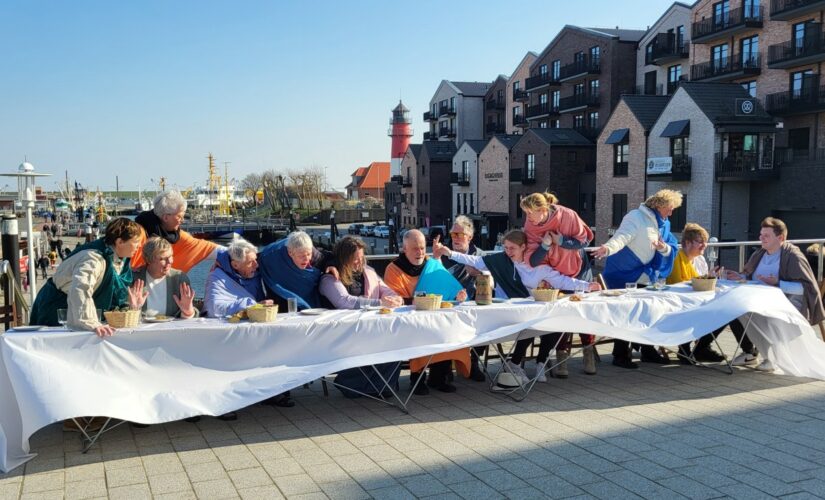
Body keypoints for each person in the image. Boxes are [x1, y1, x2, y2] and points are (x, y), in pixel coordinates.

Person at [434, 229, 600, 383]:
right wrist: (448, 252)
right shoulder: (500, 261)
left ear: (523, 247)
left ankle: (540, 362)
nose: (508, 251)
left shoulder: (538, 268)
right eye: (505, 247)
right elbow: (474, 260)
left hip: (528, 311)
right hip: (504, 310)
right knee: (529, 324)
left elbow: (563, 280)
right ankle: (514, 363)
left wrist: (587, 286)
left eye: (512, 248)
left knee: (553, 323)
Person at [591, 189, 681, 368]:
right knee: (626, 313)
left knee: (649, 312)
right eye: (670, 208)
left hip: (646, 274)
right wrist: (607, 249)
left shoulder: (664, 223)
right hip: (623, 273)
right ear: (659, 205)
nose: (671, 213)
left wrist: (664, 248)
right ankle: (621, 354)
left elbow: (671, 246)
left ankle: (647, 350)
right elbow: (621, 237)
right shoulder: (636, 217)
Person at [203, 237, 293, 410]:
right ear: (235, 265)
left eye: (255, 261)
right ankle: (226, 401)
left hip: (257, 326)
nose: (256, 266)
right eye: (251, 263)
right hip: (229, 331)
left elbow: (284, 245)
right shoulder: (217, 276)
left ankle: (272, 391)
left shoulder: (257, 270)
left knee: (277, 344)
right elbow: (215, 308)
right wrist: (251, 304)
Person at [725, 217, 825, 372]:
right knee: (737, 311)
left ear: (781, 238)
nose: (761, 238)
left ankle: (772, 357)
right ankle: (753, 353)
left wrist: (778, 283)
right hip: (761, 301)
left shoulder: (793, 256)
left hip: (788, 303)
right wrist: (740, 277)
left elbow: (804, 289)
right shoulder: (759, 254)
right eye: (761, 235)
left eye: (766, 235)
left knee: (765, 316)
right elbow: (753, 279)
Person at [384, 229, 469, 394]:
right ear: (404, 249)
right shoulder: (393, 269)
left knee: (449, 329)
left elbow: (448, 289)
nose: (420, 252)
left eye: (422, 248)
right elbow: (395, 299)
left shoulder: (432, 265)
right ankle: (417, 379)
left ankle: (439, 377)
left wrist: (458, 295)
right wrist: (415, 301)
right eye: (415, 248)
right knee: (421, 332)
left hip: (435, 316)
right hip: (409, 320)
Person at [521, 192, 597, 376]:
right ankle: (561, 360)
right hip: (554, 272)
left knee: (582, 313)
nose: (528, 218)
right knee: (560, 315)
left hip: (578, 268)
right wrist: (546, 246)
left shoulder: (567, 215)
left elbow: (585, 240)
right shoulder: (530, 225)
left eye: (530, 213)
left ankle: (589, 354)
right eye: (526, 213)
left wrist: (561, 241)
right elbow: (533, 260)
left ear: (543, 210)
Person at [319, 236, 404, 398]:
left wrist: (395, 298)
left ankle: (378, 385)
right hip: (343, 332)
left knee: (397, 340)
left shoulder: (369, 272)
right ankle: (353, 384)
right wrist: (379, 303)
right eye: (355, 260)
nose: (359, 263)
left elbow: (384, 289)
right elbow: (344, 301)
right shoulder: (330, 278)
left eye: (361, 258)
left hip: (369, 328)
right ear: (344, 259)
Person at [30, 218, 145, 337]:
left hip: (75, 308)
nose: (139, 246)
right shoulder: (93, 259)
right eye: (136, 242)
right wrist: (91, 323)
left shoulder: (119, 259)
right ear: (120, 242)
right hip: (58, 309)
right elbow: (80, 289)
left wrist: (131, 306)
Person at [666, 223, 725, 363]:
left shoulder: (700, 260)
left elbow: (702, 284)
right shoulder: (676, 258)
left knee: (725, 312)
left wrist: (711, 278)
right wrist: (705, 279)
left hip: (698, 301)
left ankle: (702, 348)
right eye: (700, 242)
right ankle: (685, 349)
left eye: (705, 242)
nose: (704, 245)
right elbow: (678, 284)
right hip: (678, 302)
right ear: (687, 242)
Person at [440, 216, 486, 382]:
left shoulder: (480, 256)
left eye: (460, 234)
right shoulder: (443, 255)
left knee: (486, 320)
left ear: (470, 237)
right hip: (448, 305)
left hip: (474, 304)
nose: (456, 238)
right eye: (453, 234)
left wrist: (478, 275)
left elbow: (492, 284)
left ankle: (473, 363)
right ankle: (444, 369)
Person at [132, 190, 220, 273]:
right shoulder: (136, 236)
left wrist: (223, 261)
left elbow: (212, 250)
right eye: (180, 217)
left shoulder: (179, 237)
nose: (182, 220)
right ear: (166, 217)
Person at [258, 230, 333, 311]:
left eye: (308, 254)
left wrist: (331, 265)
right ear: (290, 253)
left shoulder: (314, 253)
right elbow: (253, 260)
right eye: (301, 256)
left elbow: (328, 257)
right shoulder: (270, 257)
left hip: (310, 301)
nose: (306, 259)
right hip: (281, 300)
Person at [131, 237, 197, 319]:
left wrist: (188, 312)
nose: (170, 261)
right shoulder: (133, 278)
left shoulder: (179, 278)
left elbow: (191, 315)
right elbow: (120, 312)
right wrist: (133, 309)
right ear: (148, 260)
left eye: (170, 256)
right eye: (162, 259)